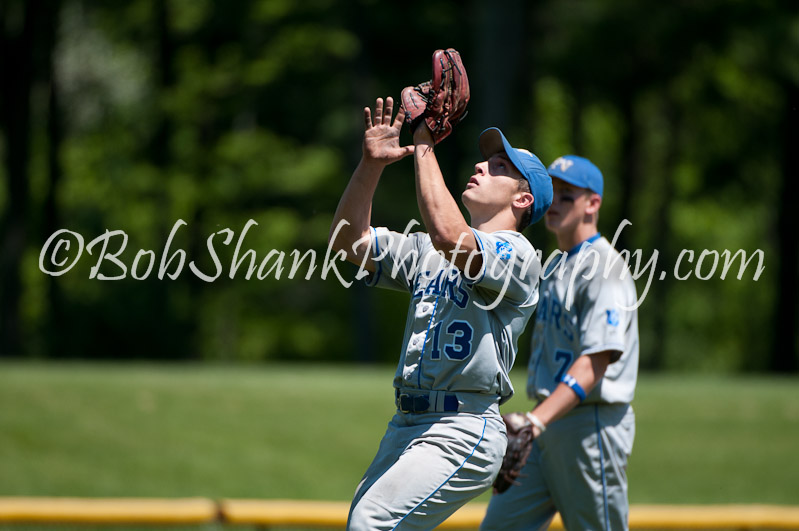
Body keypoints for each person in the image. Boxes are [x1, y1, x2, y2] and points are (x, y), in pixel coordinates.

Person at [328, 96, 553, 530]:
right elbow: (348, 242)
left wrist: (424, 139)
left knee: (372, 522)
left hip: (462, 426)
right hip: (407, 423)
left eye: (500, 166)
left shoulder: (519, 255)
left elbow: (451, 236)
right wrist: (370, 165)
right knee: (364, 520)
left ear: (523, 199)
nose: (483, 166)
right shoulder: (426, 250)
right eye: (487, 160)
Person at [481, 155, 640, 531]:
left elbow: (596, 362)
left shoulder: (605, 268)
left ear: (593, 203)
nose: (555, 204)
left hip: (588, 427)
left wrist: (536, 421)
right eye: (554, 194)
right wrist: (537, 422)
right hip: (545, 425)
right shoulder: (557, 264)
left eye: (567, 196)